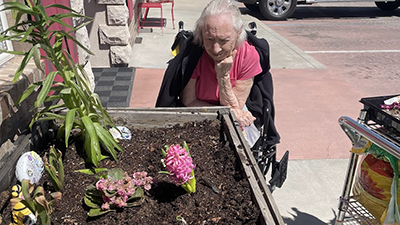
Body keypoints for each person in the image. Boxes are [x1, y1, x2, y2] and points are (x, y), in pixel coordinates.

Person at [180, 0, 262, 128]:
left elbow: (237, 107)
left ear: (238, 33)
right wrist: (221, 113)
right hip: (198, 115)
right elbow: (188, 100)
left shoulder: (248, 56)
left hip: (232, 117)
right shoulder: (194, 54)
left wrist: (223, 76)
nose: (216, 49)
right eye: (210, 39)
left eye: (224, 40)